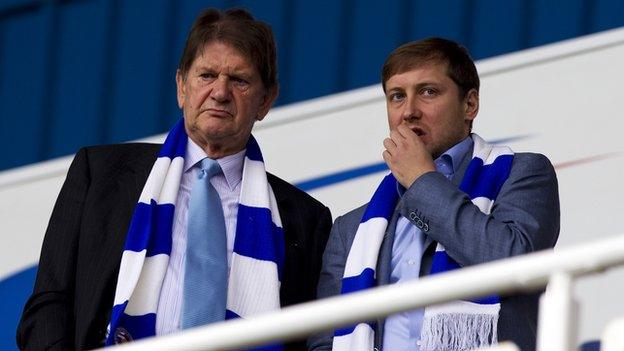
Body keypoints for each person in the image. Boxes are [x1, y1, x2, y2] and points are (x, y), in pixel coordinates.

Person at [17, 8, 331, 351]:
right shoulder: (100, 174)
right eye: (206, 75)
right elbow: (48, 304)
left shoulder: (305, 221)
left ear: (266, 100)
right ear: (182, 86)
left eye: (239, 80)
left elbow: (310, 339)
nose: (220, 92)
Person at [308, 38, 559, 351]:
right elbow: (324, 341)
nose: (409, 111)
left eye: (428, 92)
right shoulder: (350, 230)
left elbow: (514, 262)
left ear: (470, 104)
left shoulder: (524, 172)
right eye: (397, 96)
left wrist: (422, 180)